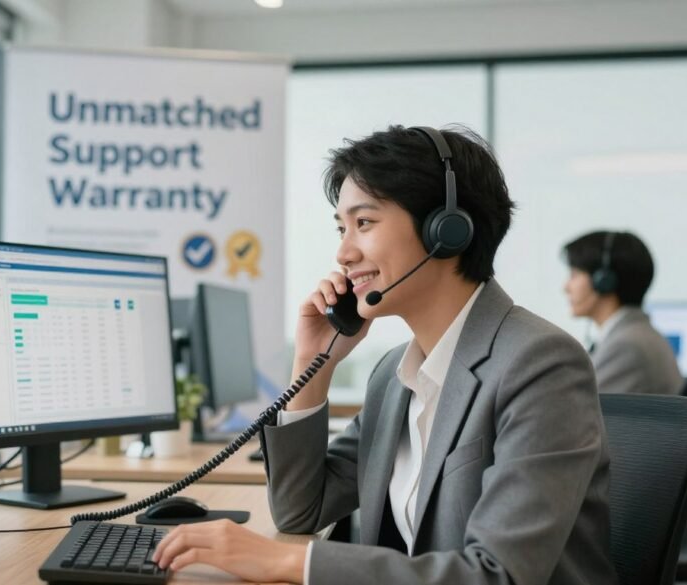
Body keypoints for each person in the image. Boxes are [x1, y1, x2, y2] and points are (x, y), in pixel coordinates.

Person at [153, 125, 617, 584]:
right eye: (341, 228)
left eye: (364, 223)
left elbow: (498, 576)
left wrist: (288, 563)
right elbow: (300, 510)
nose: (343, 252)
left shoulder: (540, 364)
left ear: (446, 231)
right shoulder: (393, 377)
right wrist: (314, 364)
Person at [563, 230, 683, 395]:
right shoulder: (642, 334)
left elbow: (576, 411)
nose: (566, 287)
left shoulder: (625, 346)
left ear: (603, 280)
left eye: (574, 275)